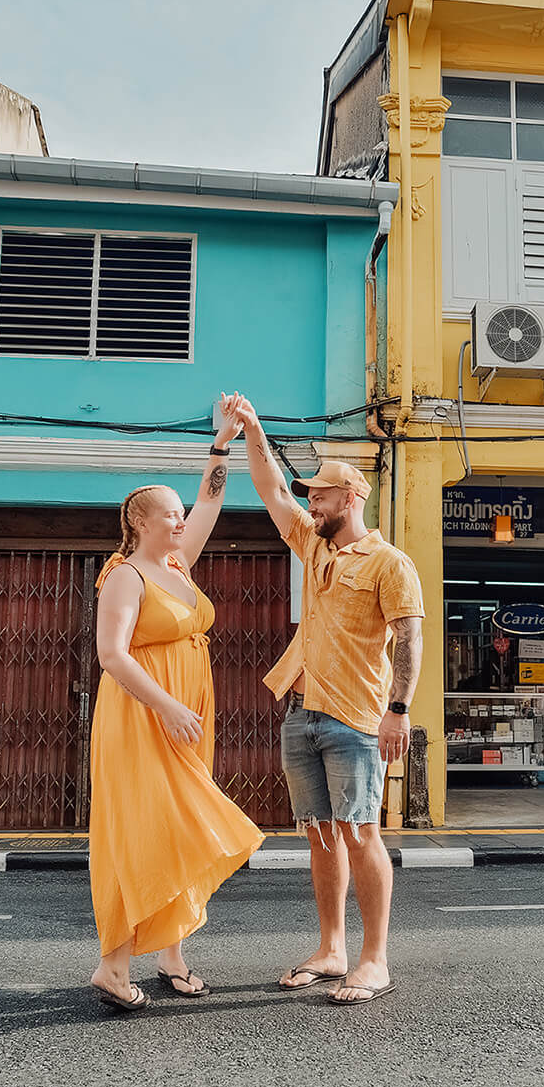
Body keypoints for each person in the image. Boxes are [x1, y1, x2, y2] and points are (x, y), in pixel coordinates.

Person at [234, 400, 424, 1006]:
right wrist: (256, 430)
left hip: (356, 718)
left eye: (320, 496)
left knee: (361, 832)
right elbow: (269, 488)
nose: (310, 505)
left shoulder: (390, 563)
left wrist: (399, 710)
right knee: (319, 834)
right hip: (302, 710)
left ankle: (374, 959)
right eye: (309, 497)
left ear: (350, 499)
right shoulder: (313, 547)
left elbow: (411, 639)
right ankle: (332, 946)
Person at [87, 394, 264, 1012]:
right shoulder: (125, 577)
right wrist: (165, 704)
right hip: (143, 714)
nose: (182, 520)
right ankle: (112, 964)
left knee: (177, 831)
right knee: (143, 826)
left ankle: (172, 954)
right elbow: (112, 654)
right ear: (141, 522)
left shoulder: (178, 565)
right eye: (170, 514)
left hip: (187, 712)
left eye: (181, 512)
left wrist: (223, 441)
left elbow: (213, 496)